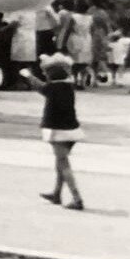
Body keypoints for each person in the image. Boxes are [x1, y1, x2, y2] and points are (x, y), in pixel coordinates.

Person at [24, 57, 84, 211]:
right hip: (72, 129)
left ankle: (77, 198)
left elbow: (39, 87)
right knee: (60, 163)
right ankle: (56, 193)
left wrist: (28, 75)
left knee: (63, 164)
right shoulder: (68, 87)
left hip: (58, 130)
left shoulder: (53, 88)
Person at [66, 0, 95, 88]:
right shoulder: (90, 17)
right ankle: (83, 80)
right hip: (86, 39)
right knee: (84, 61)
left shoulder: (73, 17)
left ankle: (75, 81)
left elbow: (68, 29)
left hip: (75, 38)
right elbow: (92, 30)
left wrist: (63, 41)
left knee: (74, 62)